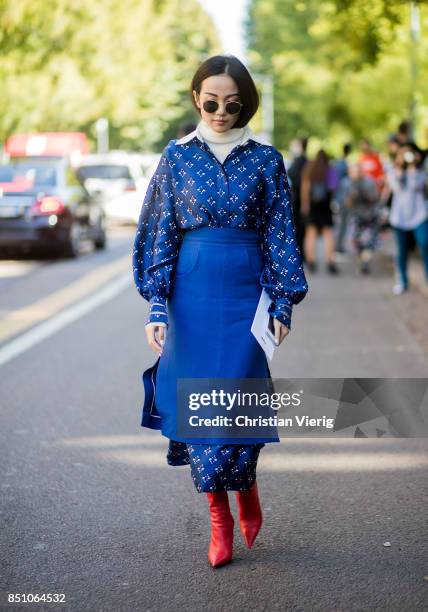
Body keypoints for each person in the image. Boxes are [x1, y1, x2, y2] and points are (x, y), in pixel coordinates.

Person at [132, 55, 309, 568]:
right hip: (190, 296)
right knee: (197, 407)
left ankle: (246, 486)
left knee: (237, 399)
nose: (220, 112)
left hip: (246, 293)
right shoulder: (176, 157)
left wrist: (283, 301)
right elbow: (159, 232)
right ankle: (218, 517)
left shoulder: (266, 159)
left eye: (232, 104)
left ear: (244, 103)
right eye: (210, 102)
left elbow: (280, 234)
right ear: (196, 99)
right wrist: (157, 306)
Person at [381, 142, 428, 294]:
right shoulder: (393, 170)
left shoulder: (420, 170)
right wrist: (400, 169)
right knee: (401, 250)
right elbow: (397, 188)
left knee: (424, 244)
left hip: (419, 214)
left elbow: (416, 186)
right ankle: (402, 280)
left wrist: (413, 168)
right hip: (399, 216)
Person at [300, 149, 339, 274]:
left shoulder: (310, 168)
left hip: (312, 206)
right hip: (325, 206)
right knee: (328, 234)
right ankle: (330, 261)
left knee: (310, 233)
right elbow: (334, 188)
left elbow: (305, 188)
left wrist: (305, 204)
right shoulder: (330, 169)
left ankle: (311, 261)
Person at [342, 162, 380, 274]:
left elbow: (375, 198)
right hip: (355, 216)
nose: (355, 174)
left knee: (368, 242)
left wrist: (363, 193)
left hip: (370, 216)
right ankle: (363, 259)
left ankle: (365, 263)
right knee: (355, 242)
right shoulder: (346, 183)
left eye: (357, 171)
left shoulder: (369, 181)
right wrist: (351, 197)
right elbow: (346, 203)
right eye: (353, 172)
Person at [288, 137, 309, 261]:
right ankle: (302, 252)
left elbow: (292, 174)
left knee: (298, 226)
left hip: (298, 197)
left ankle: (299, 252)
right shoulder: (306, 161)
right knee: (301, 227)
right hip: (301, 197)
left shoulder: (299, 161)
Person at [334, 143, 352, 254]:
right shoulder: (344, 165)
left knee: (341, 223)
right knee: (342, 223)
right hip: (343, 198)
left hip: (339, 197)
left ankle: (338, 245)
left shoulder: (337, 164)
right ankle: (338, 245)